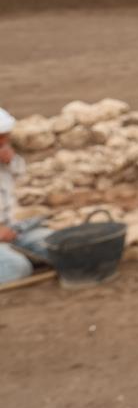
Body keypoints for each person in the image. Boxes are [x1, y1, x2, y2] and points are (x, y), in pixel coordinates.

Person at [0, 106, 54, 285]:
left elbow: (20, 172)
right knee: (17, 268)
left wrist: (10, 160)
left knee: (58, 245)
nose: (5, 141)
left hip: (11, 231)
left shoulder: (3, 158)